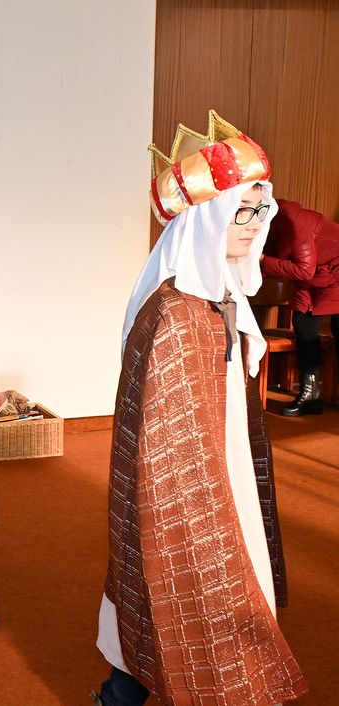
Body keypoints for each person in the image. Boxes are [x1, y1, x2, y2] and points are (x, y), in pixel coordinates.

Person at [92, 111, 307, 706]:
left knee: (155, 602)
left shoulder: (218, 295)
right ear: (206, 217)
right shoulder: (178, 313)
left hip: (222, 466)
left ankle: (120, 692)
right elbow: (168, 448)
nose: (256, 225)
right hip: (192, 490)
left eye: (261, 210)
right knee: (195, 598)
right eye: (242, 210)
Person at [260, 198, 339, 416]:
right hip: (312, 276)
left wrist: (263, 259)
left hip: (334, 269)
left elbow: (303, 270)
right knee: (303, 325)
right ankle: (310, 396)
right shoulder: (264, 222)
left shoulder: (296, 224)